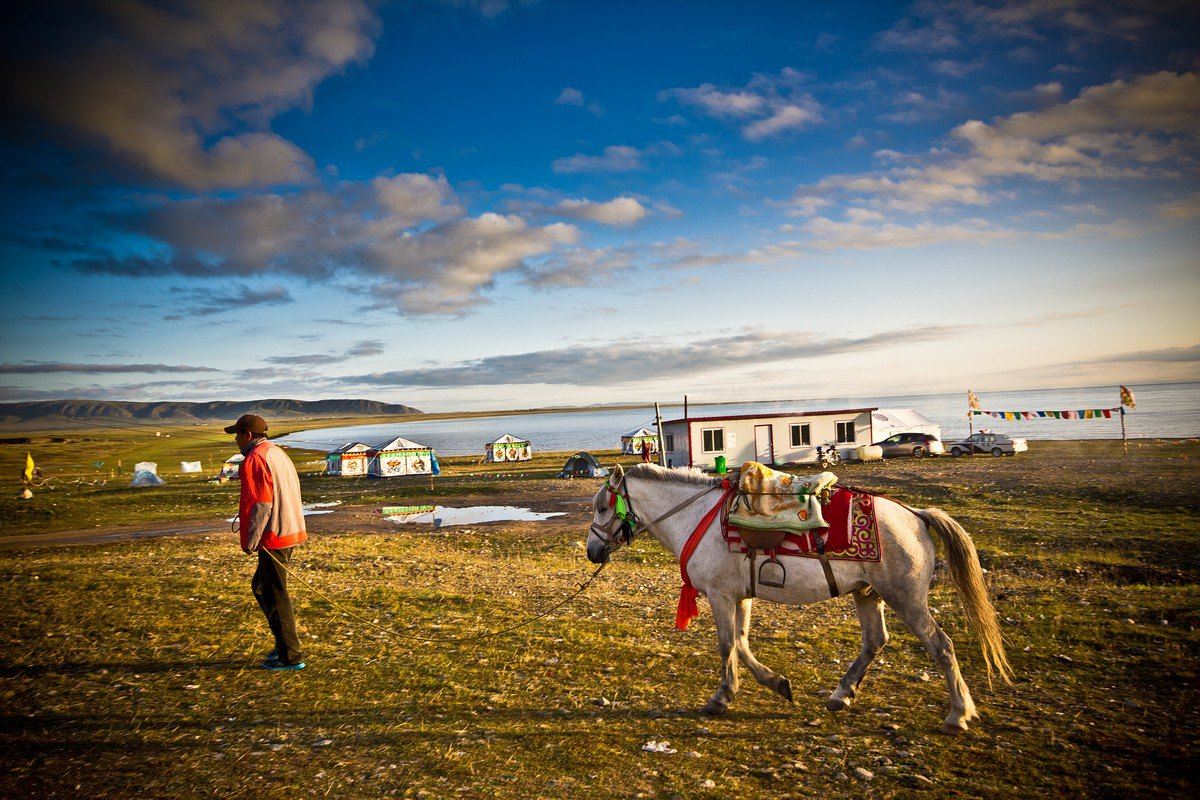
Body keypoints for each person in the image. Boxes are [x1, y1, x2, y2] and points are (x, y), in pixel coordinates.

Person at [225, 414, 308, 671]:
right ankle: (283, 647)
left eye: (237, 435)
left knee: (273, 593)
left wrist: (251, 540)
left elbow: (261, 503)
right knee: (262, 587)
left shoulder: (254, 458)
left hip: (274, 533)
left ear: (248, 435)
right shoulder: (276, 452)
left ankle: (290, 656)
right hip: (289, 527)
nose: (236, 440)